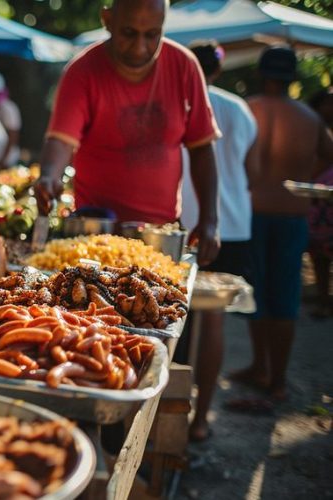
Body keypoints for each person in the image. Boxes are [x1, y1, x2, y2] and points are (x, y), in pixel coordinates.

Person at [34, 0, 221, 267]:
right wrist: (48, 176)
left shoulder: (184, 66)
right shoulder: (82, 71)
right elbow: (61, 140)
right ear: (107, 20)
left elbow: (202, 147)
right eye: (129, 33)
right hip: (96, 239)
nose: (140, 47)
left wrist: (210, 219)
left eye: (152, 35)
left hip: (160, 236)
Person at [230, 47, 333, 403]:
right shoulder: (310, 117)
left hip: (253, 212)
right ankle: (276, 379)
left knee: (257, 295)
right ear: (292, 78)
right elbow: (329, 155)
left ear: (263, 74)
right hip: (292, 214)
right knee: (284, 298)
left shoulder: (249, 109)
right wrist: (306, 176)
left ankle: (262, 366)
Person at [179, 41, 259, 442]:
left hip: (188, 223)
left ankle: (170, 413)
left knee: (176, 320)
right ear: (220, 70)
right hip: (234, 225)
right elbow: (252, 171)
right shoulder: (240, 109)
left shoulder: (181, 100)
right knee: (214, 320)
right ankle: (201, 418)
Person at [307, 87, 333, 318]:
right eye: (328, 102)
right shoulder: (311, 126)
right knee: (320, 255)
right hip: (318, 204)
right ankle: (324, 300)